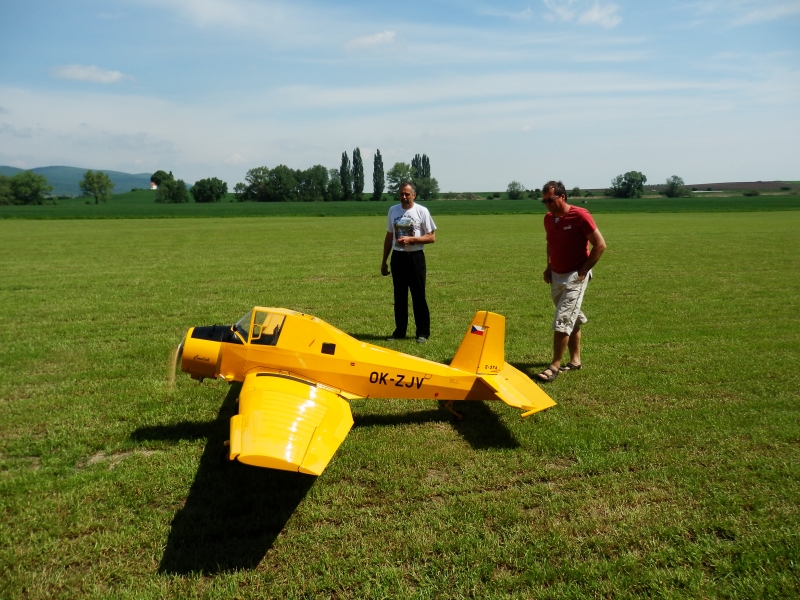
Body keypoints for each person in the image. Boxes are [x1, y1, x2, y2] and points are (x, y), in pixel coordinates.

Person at [536, 180, 606, 382]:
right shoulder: (549, 219)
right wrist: (548, 266)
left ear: (562, 197)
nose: (547, 204)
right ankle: (575, 361)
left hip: (576, 275)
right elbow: (551, 243)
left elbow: (600, 245)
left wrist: (583, 270)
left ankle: (554, 366)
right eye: (544, 201)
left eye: (550, 200)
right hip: (556, 275)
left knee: (563, 319)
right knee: (571, 317)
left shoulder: (580, 215)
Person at [381, 181, 437, 343]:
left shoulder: (421, 211)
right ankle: (400, 331)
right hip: (397, 258)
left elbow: (431, 237)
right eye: (401, 194)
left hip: (415, 257)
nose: (404, 197)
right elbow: (389, 236)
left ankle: (423, 332)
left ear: (414, 195)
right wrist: (384, 260)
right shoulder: (393, 210)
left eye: (407, 194)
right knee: (399, 296)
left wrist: (412, 239)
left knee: (418, 295)